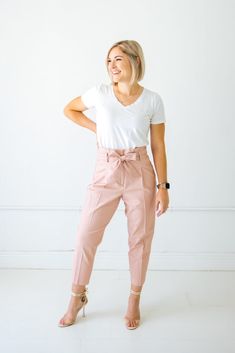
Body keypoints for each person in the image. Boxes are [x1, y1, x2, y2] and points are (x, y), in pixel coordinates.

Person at [58, 40, 170, 330]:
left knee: (140, 238)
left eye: (118, 59)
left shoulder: (153, 100)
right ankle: (76, 296)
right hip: (105, 169)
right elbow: (70, 109)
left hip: (140, 170)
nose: (112, 66)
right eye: (108, 61)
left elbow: (158, 145)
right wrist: (97, 129)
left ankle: (134, 298)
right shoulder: (100, 93)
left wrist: (163, 187)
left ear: (135, 60)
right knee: (86, 235)